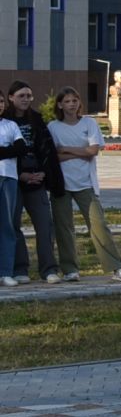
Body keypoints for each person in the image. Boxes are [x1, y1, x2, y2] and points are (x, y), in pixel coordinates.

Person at [48, 86, 121, 282]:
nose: (71, 104)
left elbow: (92, 151)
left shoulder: (89, 123)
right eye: (67, 101)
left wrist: (67, 150)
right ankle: (70, 269)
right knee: (64, 227)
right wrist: (79, 151)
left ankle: (116, 268)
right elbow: (53, 157)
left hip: (86, 183)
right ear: (60, 104)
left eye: (74, 100)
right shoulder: (53, 127)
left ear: (79, 103)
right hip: (61, 184)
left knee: (98, 224)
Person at [8, 81, 66, 283]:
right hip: (13, 182)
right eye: (21, 96)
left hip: (37, 181)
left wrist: (43, 173)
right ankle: (20, 269)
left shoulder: (38, 120)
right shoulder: (4, 121)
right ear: (11, 98)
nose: (26, 99)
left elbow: (47, 151)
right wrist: (21, 174)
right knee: (13, 226)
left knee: (44, 226)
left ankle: (49, 269)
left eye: (29, 96)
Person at [0, 110, 22, 287]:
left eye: (0, 102)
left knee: (7, 225)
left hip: (8, 177)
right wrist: (8, 150)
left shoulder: (11, 125)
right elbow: (13, 149)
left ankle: (6, 271)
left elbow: (21, 148)